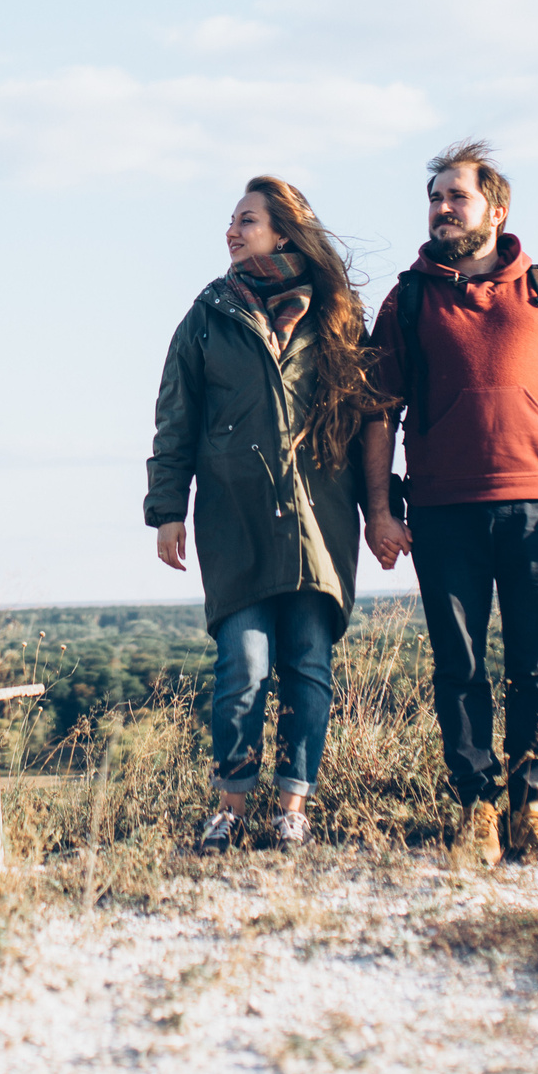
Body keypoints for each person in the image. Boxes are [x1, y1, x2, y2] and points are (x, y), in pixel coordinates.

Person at [363, 138, 538, 867]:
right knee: (458, 665)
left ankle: (533, 808)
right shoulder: (407, 299)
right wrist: (379, 509)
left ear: (495, 209)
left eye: (455, 196)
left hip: (537, 503)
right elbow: (378, 411)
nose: (441, 208)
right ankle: (476, 807)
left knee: (537, 665)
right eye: (434, 197)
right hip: (442, 510)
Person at [145, 176, 390, 854]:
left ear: (283, 231)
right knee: (244, 665)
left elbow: (373, 414)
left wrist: (380, 507)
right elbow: (175, 420)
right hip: (235, 521)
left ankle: (292, 809)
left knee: (309, 665)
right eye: (231, 220)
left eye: (246, 219)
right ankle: (228, 808)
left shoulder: (338, 315)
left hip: (320, 520)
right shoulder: (207, 316)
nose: (232, 230)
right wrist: (169, 510)